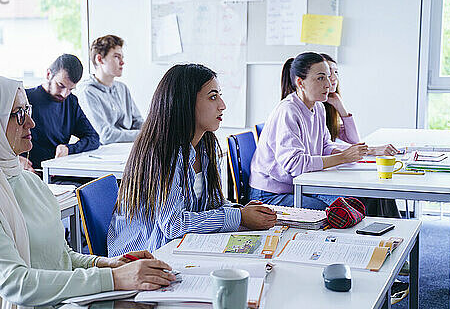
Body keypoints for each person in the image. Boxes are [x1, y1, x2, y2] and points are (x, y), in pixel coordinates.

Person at [0, 74, 174, 309]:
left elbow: (59, 256)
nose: (31, 123)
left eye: (28, 110)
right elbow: (17, 284)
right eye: (18, 114)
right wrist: (114, 278)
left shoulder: (26, 180)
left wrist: (107, 263)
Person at [108, 64, 277, 257]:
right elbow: (173, 225)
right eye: (213, 97)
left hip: (183, 245)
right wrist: (239, 217)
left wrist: (242, 211)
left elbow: (212, 203)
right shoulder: (162, 151)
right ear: (185, 102)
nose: (222, 105)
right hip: (148, 254)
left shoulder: (207, 145)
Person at [249, 52, 368, 210]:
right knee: (333, 211)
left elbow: (325, 146)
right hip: (270, 193)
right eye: (320, 78)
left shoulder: (318, 107)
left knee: (353, 201)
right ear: (300, 82)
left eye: (327, 76)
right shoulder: (288, 111)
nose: (327, 84)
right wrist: (343, 157)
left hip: (298, 186)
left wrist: (352, 153)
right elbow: (295, 164)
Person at [321, 53, 401, 218]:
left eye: (336, 72)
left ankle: (395, 235)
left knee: (381, 189)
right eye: (329, 73)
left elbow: (354, 140)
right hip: (319, 175)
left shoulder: (328, 104)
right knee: (373, 194)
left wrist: (340, 107)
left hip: (328, 169)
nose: (333, 78)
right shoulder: (311, 107)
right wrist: (370, 150)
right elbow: (324, 147)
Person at [22, 54, 99, 172]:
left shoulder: (71, 102)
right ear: (48, 74)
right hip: (30, 173)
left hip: (57, 172)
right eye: (60, 85)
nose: (64, 94)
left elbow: (93, 138)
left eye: (70, 89)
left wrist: (69, 149)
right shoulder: (25, 99)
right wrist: (16, 159)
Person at [77, 35, 144, 144]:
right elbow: (105, 136)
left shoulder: (123, 88)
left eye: (122, 57)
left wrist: (154, 130)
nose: (122, 62)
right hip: (105, 153)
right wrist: (145, 135)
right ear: (99, 59)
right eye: (117, 57)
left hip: (128, 148)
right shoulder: (88, 92)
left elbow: (138, 122)